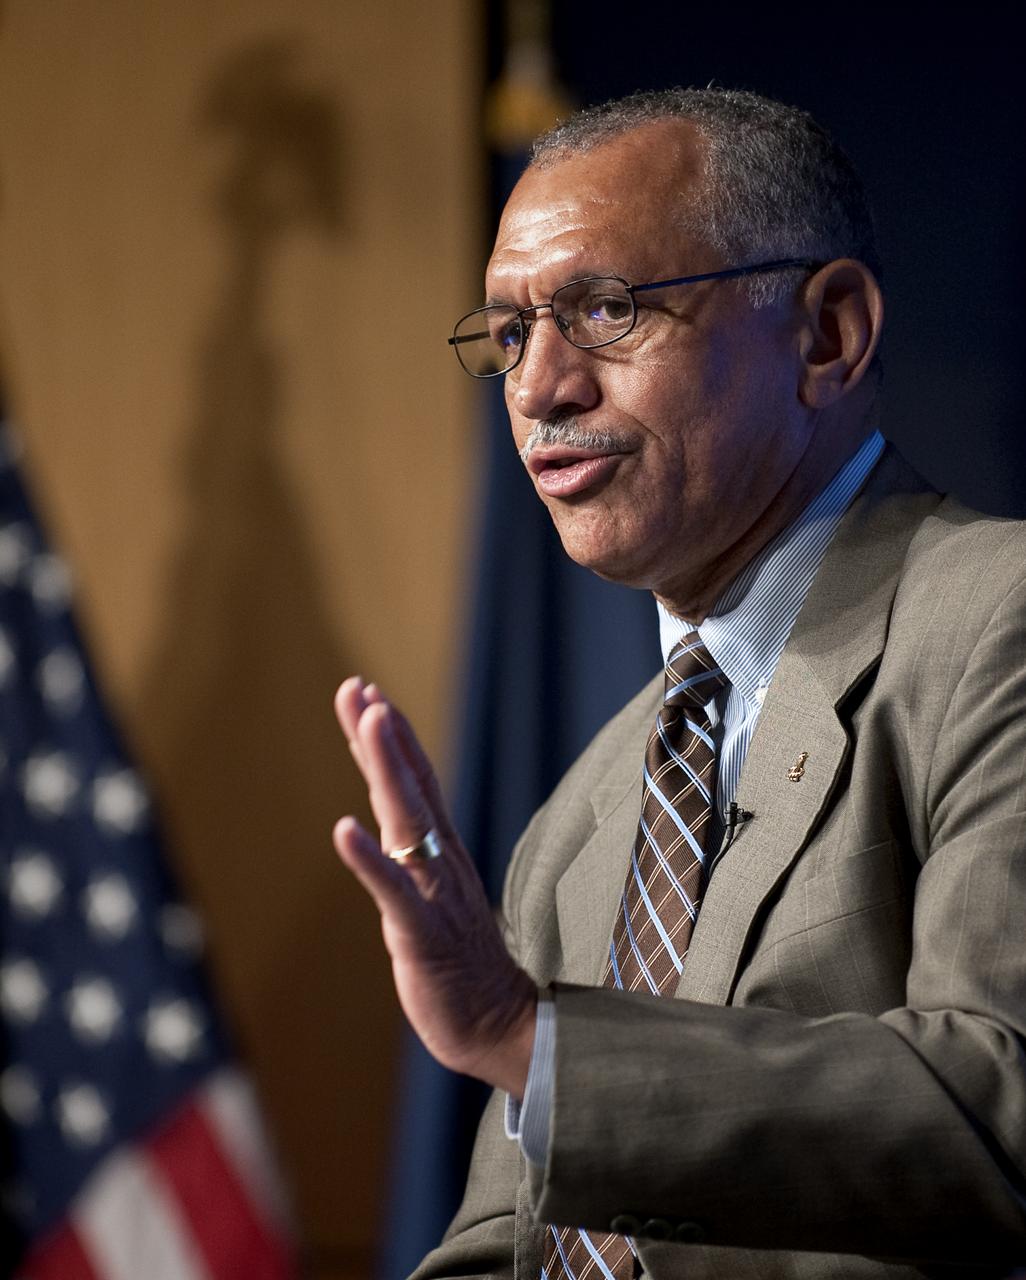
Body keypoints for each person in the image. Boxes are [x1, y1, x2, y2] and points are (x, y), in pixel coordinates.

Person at [333, 88, 1026, 1279]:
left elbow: (1003, 1103)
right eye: (509, 335)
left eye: (605, 311)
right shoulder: (576, 824)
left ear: (828, 334)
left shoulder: (992, 624)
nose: (538, 387)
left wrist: (528, 1036)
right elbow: (510, 1246)